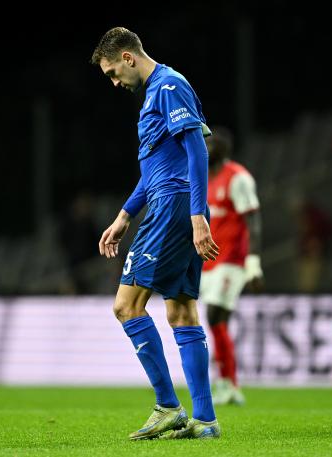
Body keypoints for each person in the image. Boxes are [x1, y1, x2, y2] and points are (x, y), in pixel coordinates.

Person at [91, 27, 220, 440]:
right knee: (181, 310)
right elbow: (156, 170)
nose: (113, 81)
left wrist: (198, 215)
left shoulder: (167, 86)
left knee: (126, 306)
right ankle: (205, 421)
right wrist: (125, 215)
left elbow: (197, 150)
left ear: (128, 57)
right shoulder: (156, 93)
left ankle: (167, 405)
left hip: (175, 208)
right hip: (173, 202)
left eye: (113, 71)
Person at [199, 126, 263, 406]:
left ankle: (230, 383)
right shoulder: (203, 179)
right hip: (208, 262)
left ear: (224, 150)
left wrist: (253, 262)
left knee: (215, 316)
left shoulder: (238, 178)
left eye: (211, 145)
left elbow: (253, 221)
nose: (205, 149)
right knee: (216, 322)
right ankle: (226, 382)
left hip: (232, 260)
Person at [290, 196, 332, 293]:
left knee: (309, 285)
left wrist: (316, 242)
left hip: (313, 255)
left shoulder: (314, 217)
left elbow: (328, 229)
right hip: (307, 253)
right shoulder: (310, 216)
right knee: (304, 283)